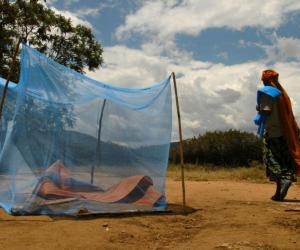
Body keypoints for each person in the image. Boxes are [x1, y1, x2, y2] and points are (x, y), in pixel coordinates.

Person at [255, 69, 299, 201]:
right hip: (285, 133)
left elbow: (266, 111)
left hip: (273, 132)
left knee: (272, 160)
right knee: (284, 160)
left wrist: (259, 109)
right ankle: (279, 193)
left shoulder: (267, 93)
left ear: (265, 80)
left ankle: (285, 180)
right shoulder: (281, 94)